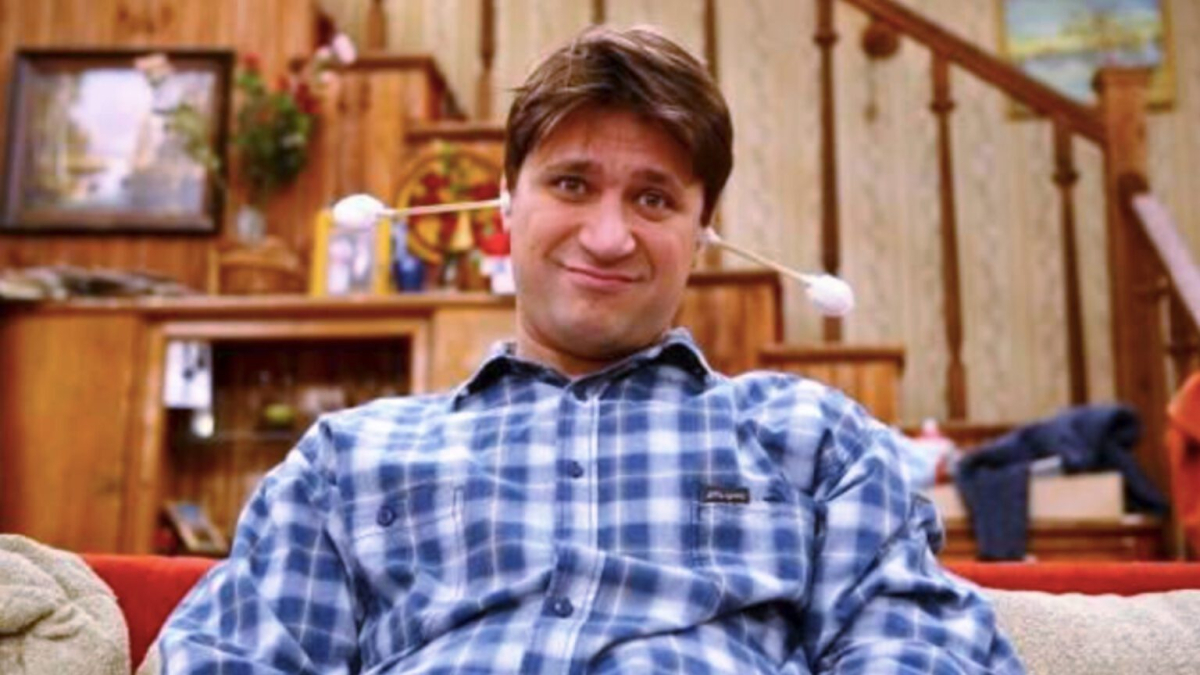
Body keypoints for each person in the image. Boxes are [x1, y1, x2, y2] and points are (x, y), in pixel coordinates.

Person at [158, 26, 1024, 674]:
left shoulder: (815, 440)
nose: (609, 238)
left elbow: (918, 646)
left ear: (701, 231)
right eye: (572, 183)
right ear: (508, 203)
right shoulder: (347, 459)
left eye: (653, 199)